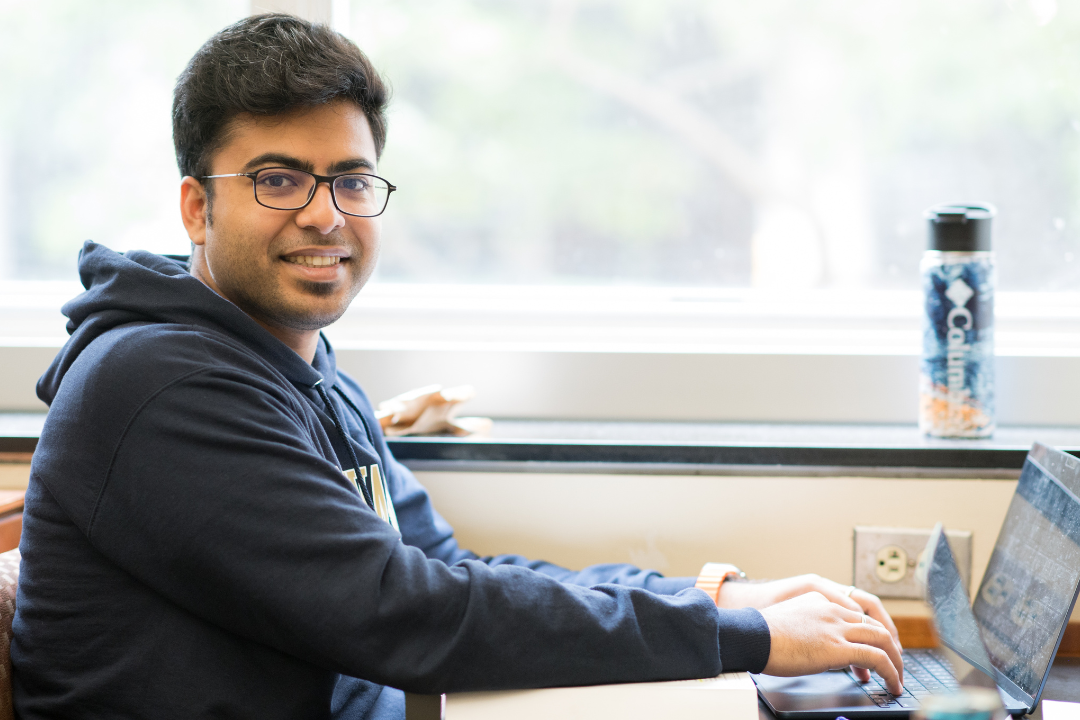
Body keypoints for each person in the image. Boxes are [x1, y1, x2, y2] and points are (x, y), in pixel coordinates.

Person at [11, 13, 904, 720]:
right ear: (195, 209)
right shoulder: (162, 387)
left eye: (352, 181)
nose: (326, 216)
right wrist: (737, 634)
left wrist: (710, 595)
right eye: (278, 180)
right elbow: (407, 613)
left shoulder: (306, 373)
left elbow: (445, 568)